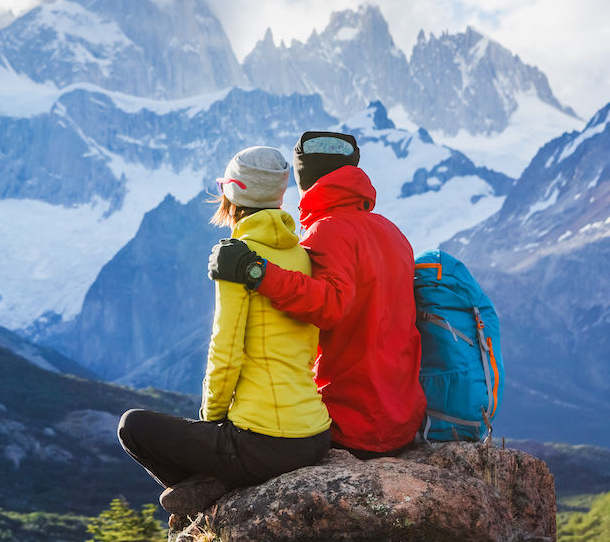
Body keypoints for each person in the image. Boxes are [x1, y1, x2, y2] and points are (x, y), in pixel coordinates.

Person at [117, 146, 332, 518]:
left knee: (132, 426)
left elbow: (225, 350)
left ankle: (213, 489)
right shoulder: (303, 255)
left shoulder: (237, 257)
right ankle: (212, 481)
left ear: (232, 192)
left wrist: (212, 417)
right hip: (315, 433)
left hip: (266, 442)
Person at [209, 131, 426, 458]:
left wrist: (256, 271)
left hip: (353, 423)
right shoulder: (392, 232)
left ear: (304, 179)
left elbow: (330, 306)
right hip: (402, 421)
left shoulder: (328, 230)